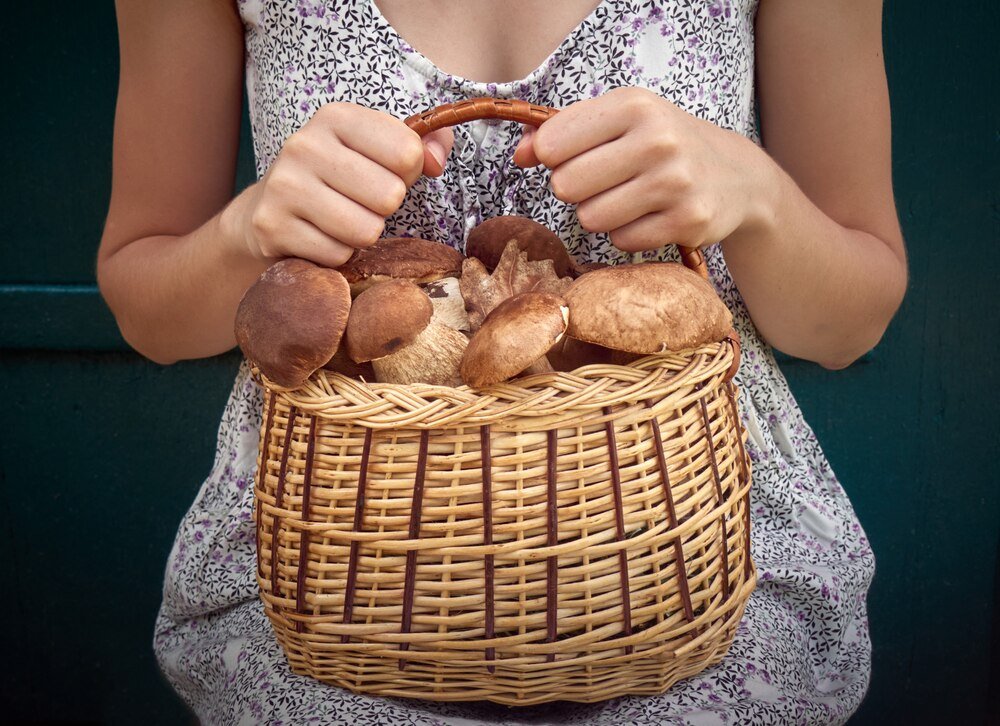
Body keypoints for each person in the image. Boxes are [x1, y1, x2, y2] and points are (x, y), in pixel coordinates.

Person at [99, 1, 906, 723]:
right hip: (336, 557)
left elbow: (850, 323)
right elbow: (147, 311)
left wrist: (755, 192)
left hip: (696, 541)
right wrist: (251, 229)